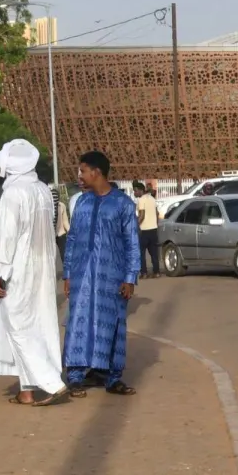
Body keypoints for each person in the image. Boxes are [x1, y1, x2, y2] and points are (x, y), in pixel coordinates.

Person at [0, 139, 67, 405]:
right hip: (42, 267)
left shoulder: (13, 194)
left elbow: (8, 237)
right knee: (38, 323)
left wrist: (0, 271)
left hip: (17, 268)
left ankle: (51, 382)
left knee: (18, 326)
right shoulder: (42, 190)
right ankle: (27, 390)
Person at [62, 150, 141, 396]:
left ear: (96, 172)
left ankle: (111, 377)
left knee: (112, 325)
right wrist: (67, 273)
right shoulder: (81, 203)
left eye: (82, 171)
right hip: (81, 277)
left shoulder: (123, 204)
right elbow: (72, 239)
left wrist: (130, 278)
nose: (79, 175)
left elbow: (132, 243)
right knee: (78, 323)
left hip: (112, 278)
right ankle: (75, 376)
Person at [134, 181, 161, 280]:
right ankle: (156, 272)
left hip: (144, 230)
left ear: (141, 190)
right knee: (154, 253)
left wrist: (136, 226)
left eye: (136, 191)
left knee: (141, 253)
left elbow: (141, 215)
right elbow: (157, 213)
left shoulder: (141, 200)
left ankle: (144, 273)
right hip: (153, 229)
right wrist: (155, 224)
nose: (134, 193)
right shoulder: (152, 199)